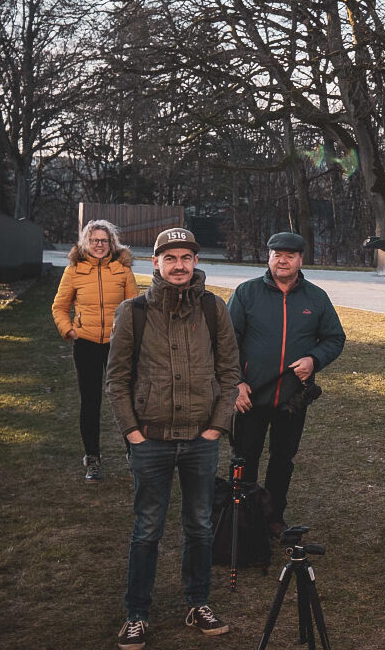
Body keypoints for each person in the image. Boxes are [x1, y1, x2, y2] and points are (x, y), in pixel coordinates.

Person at [105, 227, 237, 649]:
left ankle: (198, 603)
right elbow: (117, 379)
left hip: (202, 439)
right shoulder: (134, 311)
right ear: (155, 263)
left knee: (199, 526)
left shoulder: (215, 309)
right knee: (147, 529)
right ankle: (137, 614)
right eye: (170, 258)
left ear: (196, 262)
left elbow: (230, 374)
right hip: (152, 441)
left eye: (186, 258)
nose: (179, 266)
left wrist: (217, 425)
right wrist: (133, 432)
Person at [227, 232, 346, 532]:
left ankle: (273, 517)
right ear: (268, 257)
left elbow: (335, 338)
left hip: (292, 399)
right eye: (277, 254)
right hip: (251, 396)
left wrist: (314, 360)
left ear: (300, 260)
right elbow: (226, 342)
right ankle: (242, 518)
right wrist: (236, 383)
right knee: (245, 459)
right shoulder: (246, 293)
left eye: (290, 255)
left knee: (283, 460)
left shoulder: (316, 297)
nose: (283, 260)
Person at [52, 219, 139, 483]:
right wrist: (69, 330)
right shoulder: (74, 271)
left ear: (111, 243)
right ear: (86, 243)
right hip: (86, 343)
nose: (99, 245)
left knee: (126, 398)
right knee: (90, 402)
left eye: (104, 240)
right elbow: (59, 307)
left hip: (118, 345)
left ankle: (133, 454)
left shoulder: (122, 270)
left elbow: (136, 307)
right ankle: (93, 459)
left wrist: (130, 338)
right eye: (94, 241)